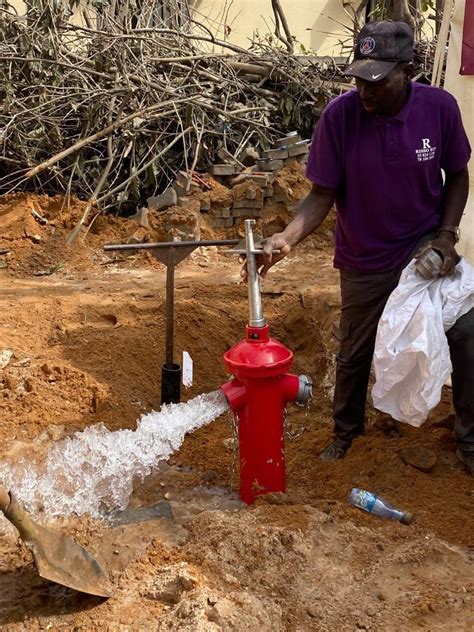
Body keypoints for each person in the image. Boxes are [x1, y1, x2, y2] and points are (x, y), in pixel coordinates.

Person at [250, 20, 474, 473]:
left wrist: (446, 237)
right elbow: (321, 195)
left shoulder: (440, 108)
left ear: (408, 70)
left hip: (423, 251)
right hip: (364, 256)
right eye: (358, 79)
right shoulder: (341, 116)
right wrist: (286, 239)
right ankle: (346, 433)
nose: (365, 91)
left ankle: (469, 441)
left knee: (468, 332)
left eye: (377, 80)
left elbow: (458, 176)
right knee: (355, 351)